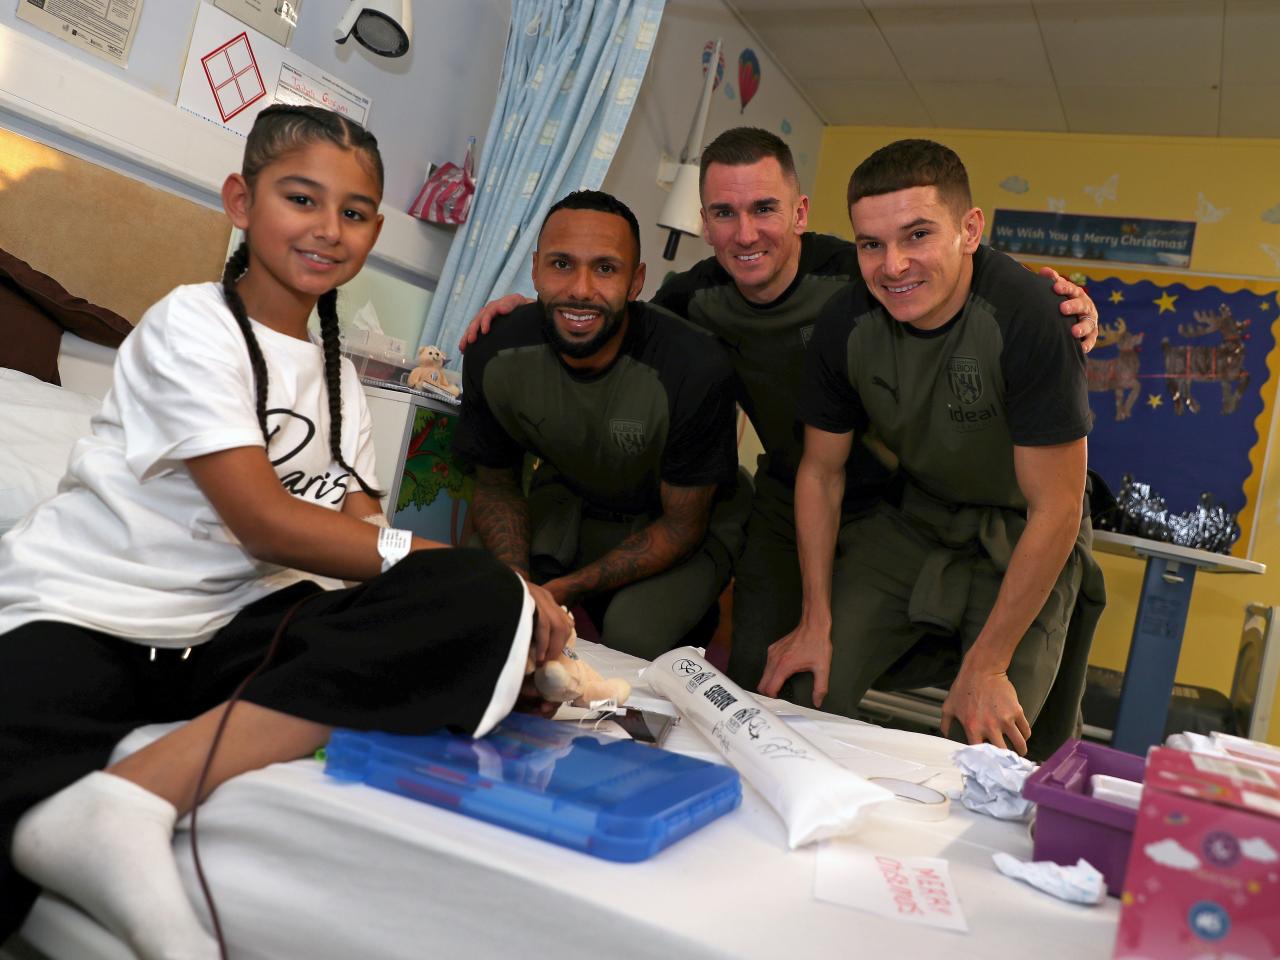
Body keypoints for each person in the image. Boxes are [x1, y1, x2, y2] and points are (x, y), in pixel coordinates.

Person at [0, 105, 571, 960]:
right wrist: (426, 557)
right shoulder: (190, 324)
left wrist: (510, 616)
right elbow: (263, 520)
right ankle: (86, 828)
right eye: (301, 199)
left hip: (224, 636)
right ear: (241, 199)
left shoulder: (340, 380)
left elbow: (363, 534)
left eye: (353, 212)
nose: (328, 230)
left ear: (375, 228)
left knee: (483, 595)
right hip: (88, 617)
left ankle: (131, 798)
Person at [459, 127, 1100, 698]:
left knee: (963, 680)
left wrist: (1056, 303)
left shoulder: (863, 276)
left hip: (897, 499)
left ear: (799, 213)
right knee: (762, 677)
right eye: (724, 213)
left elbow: (956, 273)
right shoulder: (693, 298)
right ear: (704, 223)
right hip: (795, 483)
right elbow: (615, 313)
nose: (745, 233)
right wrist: (534, 306)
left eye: (764, 208)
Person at [760, 138, 1105, 759]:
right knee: (802, 690)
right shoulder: (845, 324)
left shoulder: (1029, 316)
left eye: (917, 235)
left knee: (993, 746)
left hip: (1027, 530)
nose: (893, 266)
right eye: (871, 244)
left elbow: (1058, 508)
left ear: (970, 229)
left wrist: (989, 665)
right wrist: (815, 620)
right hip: (916, 520)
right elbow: (821, 473)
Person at [453, 190, 746, 660]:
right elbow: (496, 485)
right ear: (535, 270)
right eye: (561, 264)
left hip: (683, 521)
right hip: (572, 498)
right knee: (477, 600)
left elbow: (680, 527)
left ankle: (693, 614)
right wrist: (520, 582)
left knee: (632, 638)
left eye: (605, 268)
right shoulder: (495, 350)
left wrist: (568, 588)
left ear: (636, 281)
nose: (581, 289)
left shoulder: (694, 367)